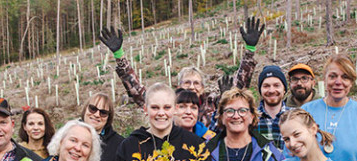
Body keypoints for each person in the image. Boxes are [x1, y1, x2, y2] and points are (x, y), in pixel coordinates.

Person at [98, 17, 264, 128]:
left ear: (203, 88)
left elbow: (239, 86)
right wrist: (119, 56)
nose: (191, 87)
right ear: (178, 86)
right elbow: (138, 92)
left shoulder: (213, 103)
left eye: (196, 83)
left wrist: (249, 51)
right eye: (187, 82)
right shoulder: (168, 105)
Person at [79, 93, 123, 161]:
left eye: (103, 113)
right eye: (93, 108)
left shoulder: (119, 145)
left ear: (108, 118)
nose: (96, 115)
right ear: (85, 109)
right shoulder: (68, 133)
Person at [254, 65, 291, 149]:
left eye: (276, 85)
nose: (271, 90)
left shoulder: (295, 117)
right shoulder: (251, 118)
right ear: (260, 90)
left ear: (284, 89)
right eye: (266, 86)